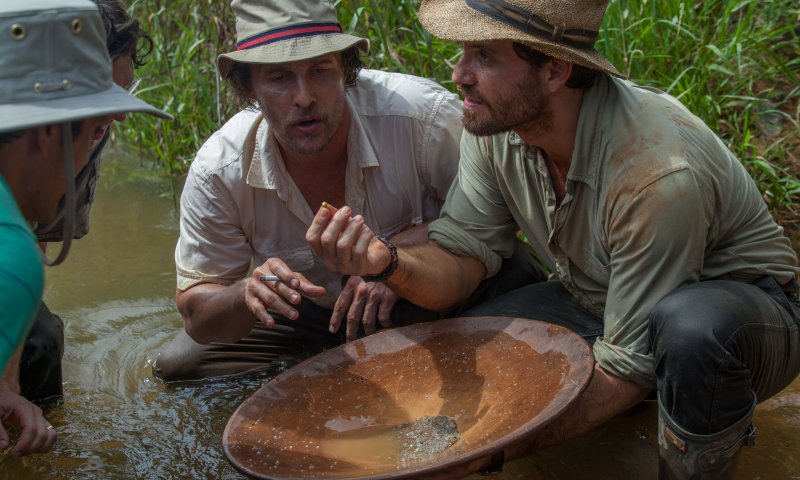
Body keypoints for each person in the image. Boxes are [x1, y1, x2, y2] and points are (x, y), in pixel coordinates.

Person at [306, 0, 800, 477]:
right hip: (598, 299)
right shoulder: (496, 127)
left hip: (745, 319)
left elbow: (626, 369)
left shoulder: (653, 173)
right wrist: (389, 263)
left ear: (555, 71)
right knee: (473, 346)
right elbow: (461, 256)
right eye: (463, 53)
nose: (459, 74)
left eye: (485, 56)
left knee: (691, 329)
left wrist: (480, 456)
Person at [152, 0, 465, 382]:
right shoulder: (219, 169)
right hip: (307, 313)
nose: (304, 97)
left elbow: (493, 221)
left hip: (423, 291)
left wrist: (396, 263)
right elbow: (196, 313)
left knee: (509, 286)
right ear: (248, 87)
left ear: (346, 70)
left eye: (320, 71)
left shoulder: (424, 119)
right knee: (180, 364)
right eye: (279, 78)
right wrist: (248, 293)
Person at [0, 0, 170, 457]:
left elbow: (33, 228)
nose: (116, 118)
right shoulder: (13, 259)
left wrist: (5, 384)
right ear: (47, 127)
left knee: (40, 340)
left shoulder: (71, 135)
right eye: (101, 105)